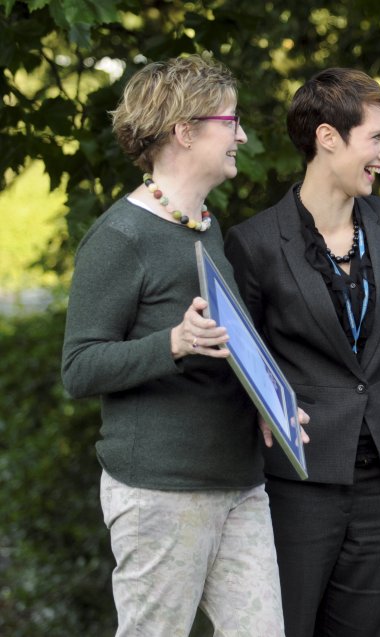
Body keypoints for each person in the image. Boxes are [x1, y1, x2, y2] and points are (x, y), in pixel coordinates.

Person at [61, 55, 302, 636]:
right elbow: (79, 368)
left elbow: (226, 349)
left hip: (241, 485)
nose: (242, 134)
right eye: (231, 120)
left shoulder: (205, 226)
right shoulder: (121, 236)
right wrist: (171, 342)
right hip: (160, 493)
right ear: (185, 130)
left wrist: (270, 405)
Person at [224, 68, 380, 637]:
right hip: (297, 478)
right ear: (328, 137)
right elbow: (237, 366)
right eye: (376, 138)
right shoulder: (253, 243)